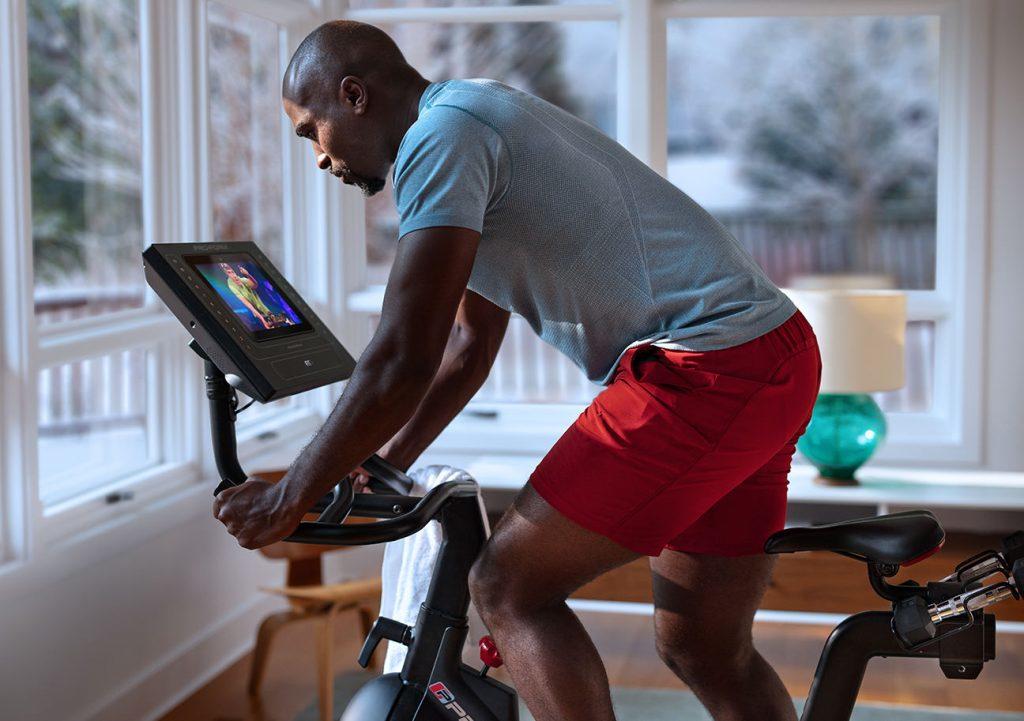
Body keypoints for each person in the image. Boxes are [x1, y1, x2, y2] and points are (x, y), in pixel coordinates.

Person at [212, 20, 822, 721]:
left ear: (353, 97)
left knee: (506, 586)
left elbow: (402, 356)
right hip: (772, 352)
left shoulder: (439, 142)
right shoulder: (472, 114)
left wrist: (291, 490)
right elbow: (470, 347)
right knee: (706, 647)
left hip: (705, 370)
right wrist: (383, 462)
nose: (319, 158)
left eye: (309, 131)